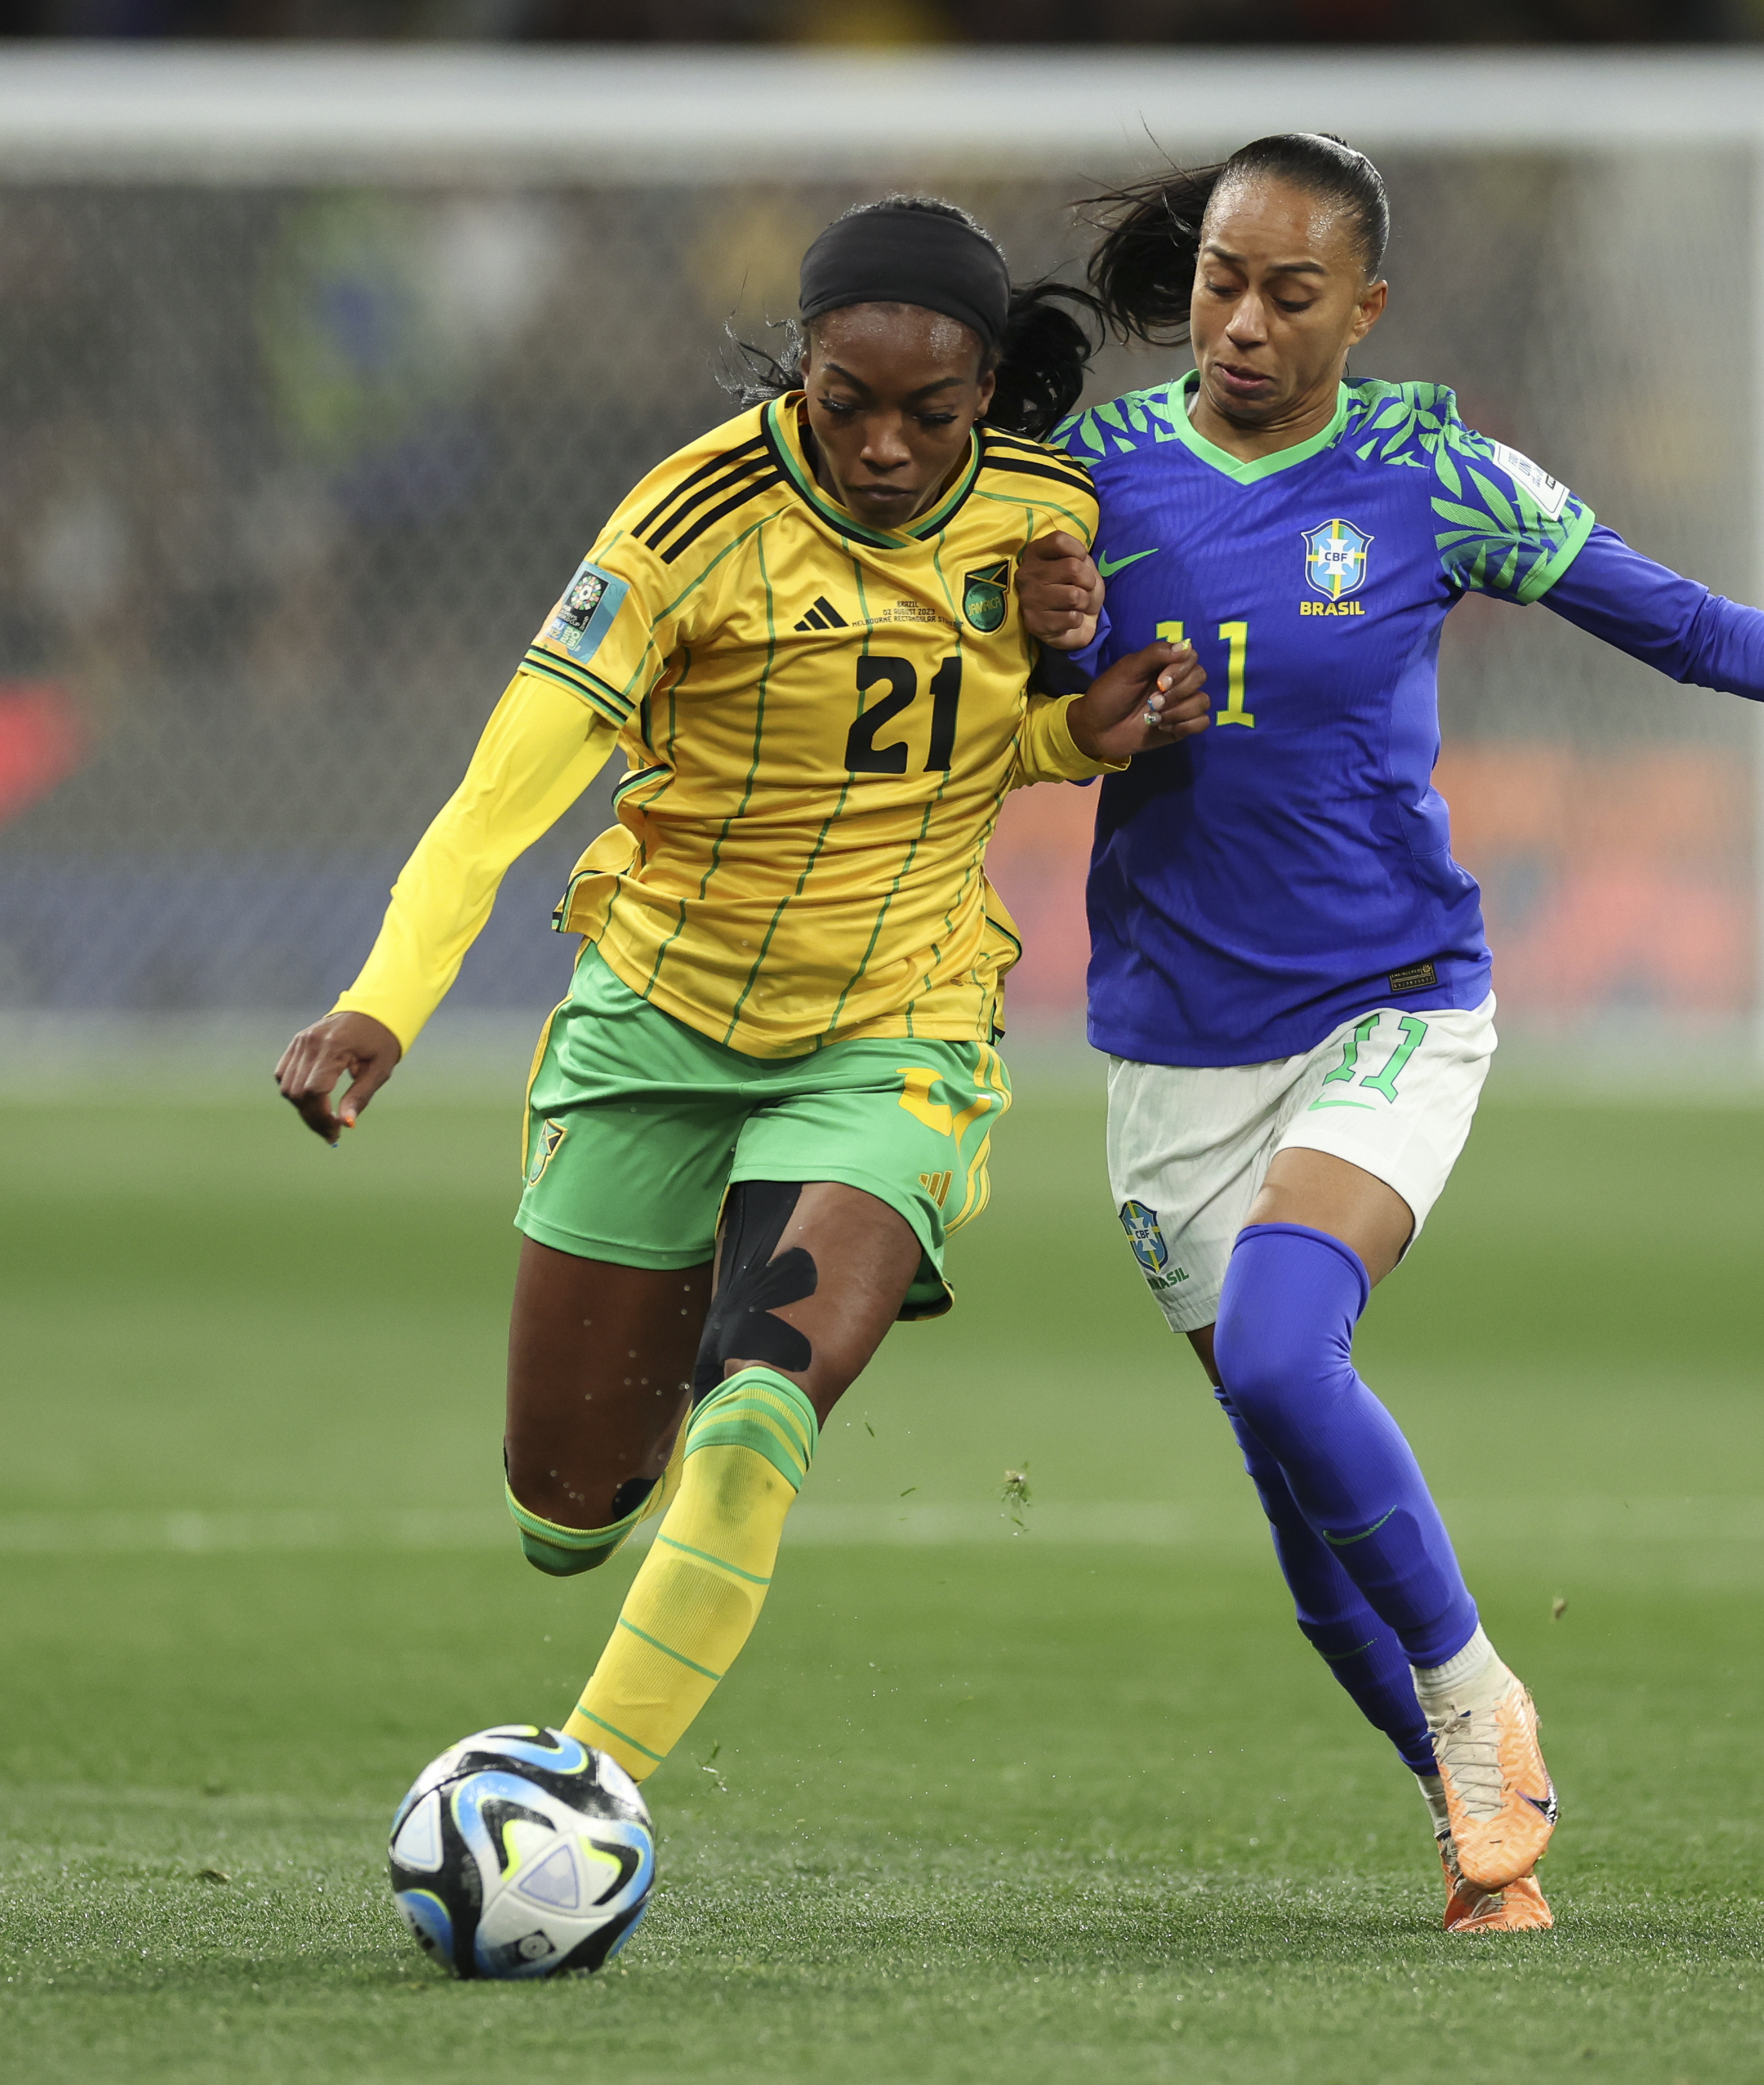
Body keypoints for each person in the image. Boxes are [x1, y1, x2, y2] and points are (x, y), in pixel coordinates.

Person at [1019, 135, 1764, 1932]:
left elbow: (1677, 621)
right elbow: (1008, 713)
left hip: (1390, 1003)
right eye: (1219, 285)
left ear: (1367, 308)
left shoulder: (1431, 471)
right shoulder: (1088, 481)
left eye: (1289, 294)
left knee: (1282, 1354)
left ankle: (1480, 1695)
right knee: (1297, 1511)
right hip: (1174, 1039)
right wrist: (1065, 677)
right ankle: (1473, 1816)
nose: (1243, 324)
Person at [275, 196, 1210, 1790]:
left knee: (760, 1402)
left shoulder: (1045, 510)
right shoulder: (687, 524)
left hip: (895, 1027)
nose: (888, 447)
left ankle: (583, 1794)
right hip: (658, 1024)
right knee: (566, 1508)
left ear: (987, 390)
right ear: (802, 370)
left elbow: (965, 744)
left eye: (931, 412)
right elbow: (502, 795)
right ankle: (713, 1225)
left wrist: (1079, 726)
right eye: (849, 403)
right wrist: (383, 1001)